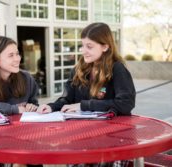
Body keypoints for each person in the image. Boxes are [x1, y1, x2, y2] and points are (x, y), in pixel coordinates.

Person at [37, 22, 136, 166]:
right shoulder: (79, 69)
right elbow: (67, 99)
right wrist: (52, 106)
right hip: (81, 137)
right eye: (82, 45)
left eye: (89, 46)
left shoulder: (117, 69)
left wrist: (84, 105)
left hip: (112, 141)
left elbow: (126, 104)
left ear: (105, 46)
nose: (83, 51)